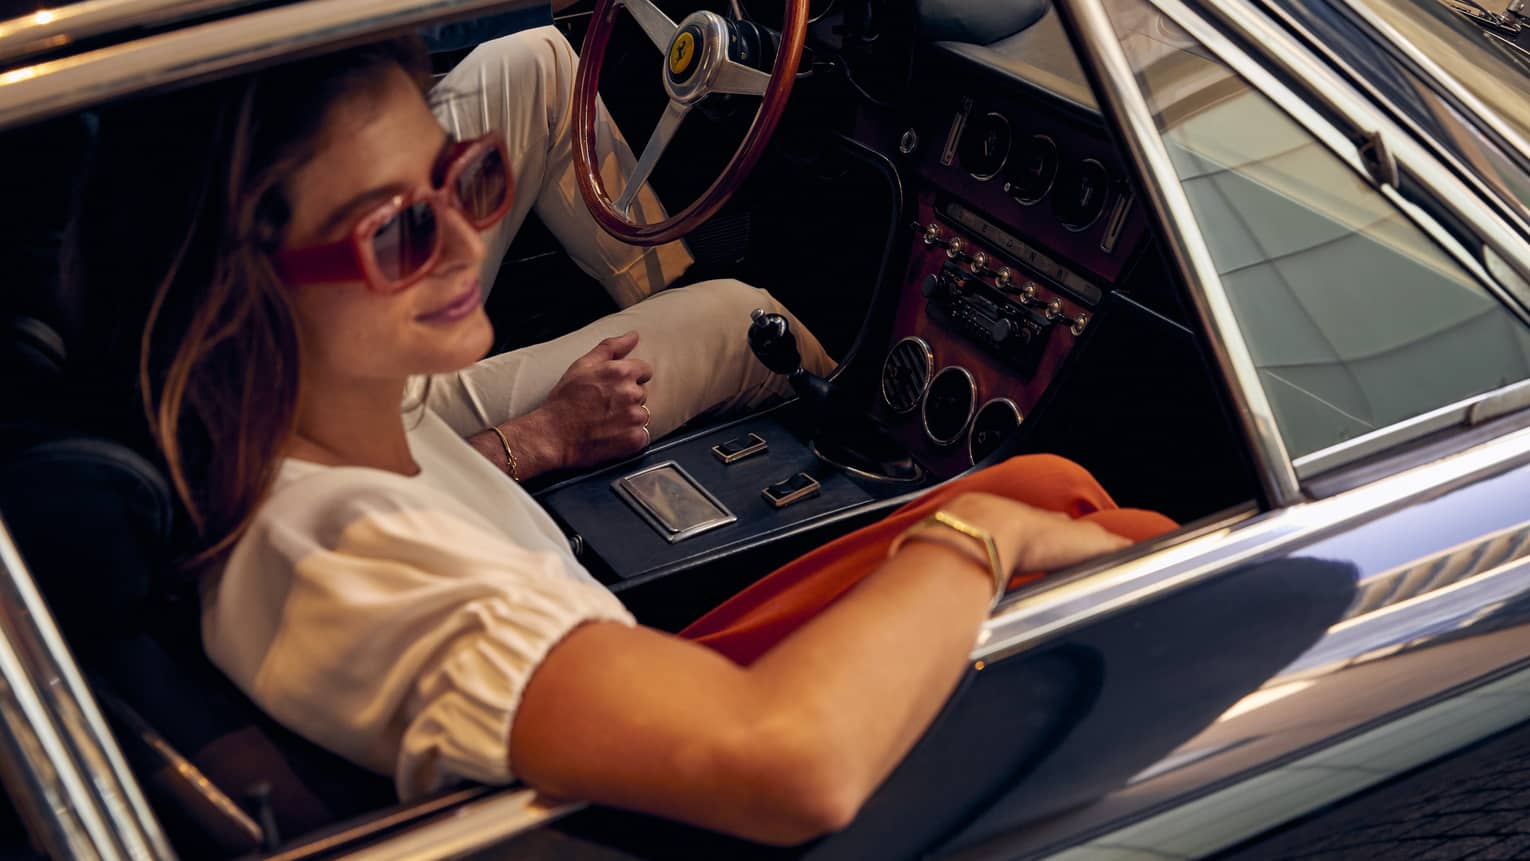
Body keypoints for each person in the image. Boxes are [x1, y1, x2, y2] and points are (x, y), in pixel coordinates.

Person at [74, 36, 1177, 845]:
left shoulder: (350, 430)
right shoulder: (343, 560)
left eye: (468, 177)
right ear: (239, 296)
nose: (466, 236)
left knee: (1044, 477)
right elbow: (794, 766)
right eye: (398, 231)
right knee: (1075, 516)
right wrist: (978, 530)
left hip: (619, 676)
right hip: (700, 799)